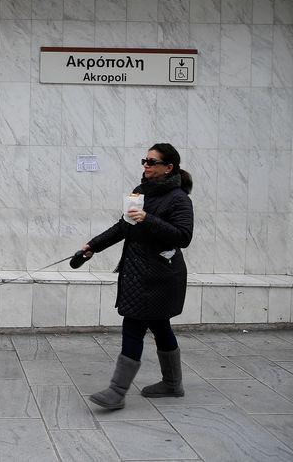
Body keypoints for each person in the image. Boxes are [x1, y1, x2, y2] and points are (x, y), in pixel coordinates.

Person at [80, 143, 193, 410]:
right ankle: (172, 384)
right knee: (160, 326)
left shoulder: (179, 199)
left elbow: (183, 237)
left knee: (133, 327)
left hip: (160, 277)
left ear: (169, 167)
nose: (146, 166)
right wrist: (93, 246)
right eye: (145, 160)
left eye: (153, 162)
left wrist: (148, 219)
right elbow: (123, 226)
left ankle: (117, 392)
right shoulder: (140, 192)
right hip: (138, 274)